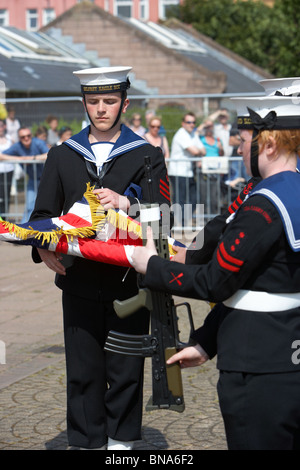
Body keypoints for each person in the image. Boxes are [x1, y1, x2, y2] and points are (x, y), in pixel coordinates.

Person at [130, 77, 300, 450]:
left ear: (268, 142)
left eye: (242, 142)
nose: (238, 149)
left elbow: (215, 282)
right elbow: (261, 281)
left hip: (259, 366)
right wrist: (206, 342)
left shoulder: (263, 204)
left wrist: (150, 265)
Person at [29, 66, 170, 450]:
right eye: (94, 101)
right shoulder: (62, 154)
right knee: (83, 369)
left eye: (110, 101)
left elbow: (165, 216)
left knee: (126, 370)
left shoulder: (147, 154)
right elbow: (42, 214)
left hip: (128, 282)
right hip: (78, 279)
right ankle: (87, 443)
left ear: (124, 102)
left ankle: (120, 445)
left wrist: (129, 203)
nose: (102, 109)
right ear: (84, 103)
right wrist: (41, 245)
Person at [0, 127, 48, 222]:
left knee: (50, 205)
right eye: (23, 137)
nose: (26, 138)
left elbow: (50, 154)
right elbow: (1, 156)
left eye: (28, 136)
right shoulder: (17, 146)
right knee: (30, 206)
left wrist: (33, 158)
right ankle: (24, 229)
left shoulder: (38, 143)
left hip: (48, 180)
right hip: (32, 180)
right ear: (19, 138)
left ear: (31, 136)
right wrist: (21, 159)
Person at [168, 112, 206, 225]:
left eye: (193, 122)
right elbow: (195, 151)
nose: (192, 124)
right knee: (180, 200)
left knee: (196, 198)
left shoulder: (192, 134)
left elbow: (203, 150)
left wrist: (197, 151)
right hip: (178, 172)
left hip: (188, 172)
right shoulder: (181, 134)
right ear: (183, 123)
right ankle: (178, 224)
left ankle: (181, 222)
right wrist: (197, 151)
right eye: (189, 122)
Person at [196, 120, 224, 215]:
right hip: (203, 170)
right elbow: (196, 132)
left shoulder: (218, 140)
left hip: (215, 170)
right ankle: (203, 216)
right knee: (203, 194)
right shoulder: (200, 138)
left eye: (210, 126)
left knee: (214, 195)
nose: (209, 128)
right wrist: (204, 124)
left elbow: (222, 154)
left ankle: (213, 215)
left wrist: (221, 148)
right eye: (207, 127)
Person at [0, 119, 13, 216]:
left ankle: (4, 218)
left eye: (1, 126)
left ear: (4, 127)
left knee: (6, 195)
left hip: (8, 170)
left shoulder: (10, 139)